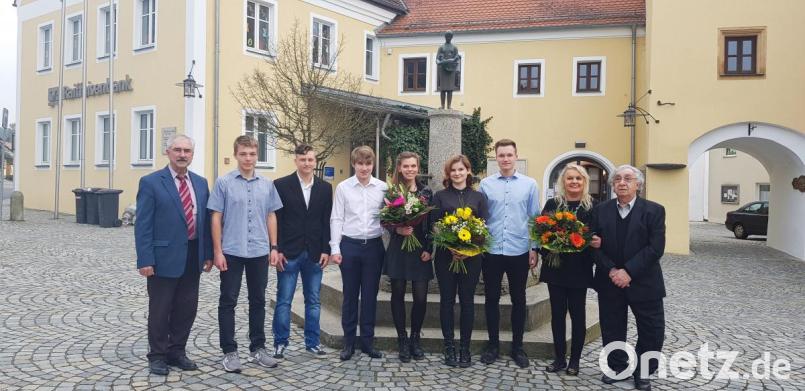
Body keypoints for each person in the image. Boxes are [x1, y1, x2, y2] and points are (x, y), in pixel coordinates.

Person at [135, 134, 213, 376]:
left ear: (192, 154)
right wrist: (145, 259)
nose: (182, 155)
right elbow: (143, 225)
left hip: (193, 255)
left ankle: (176, 351)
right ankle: (157, 355)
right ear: (168, 152)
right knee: (160, 308)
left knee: (186, 307)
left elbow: (206, 222)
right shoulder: (151, 182)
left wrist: (207, 254)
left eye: (187, 151)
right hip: (162, 257)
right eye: (177, 150)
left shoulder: (200, 183)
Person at [208, 135, 283, 373]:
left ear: (257, 155)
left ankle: (258, 349)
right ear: (236, 154)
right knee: (228, 301)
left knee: (258, 300)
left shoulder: (267, 184)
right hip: (232, 250)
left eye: (252, 154)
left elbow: (271, 215)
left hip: (260, 250)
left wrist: (274, 247)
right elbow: (216, 217)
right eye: (243, 154)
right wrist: (217, 251)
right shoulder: (224, 183)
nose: (248, 158)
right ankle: (229, 351)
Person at [592, 164, 666, 391]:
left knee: (652, 329)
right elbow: (593, 246)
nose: (622, 183)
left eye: (628, 179)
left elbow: (656, 248)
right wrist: (613, 270)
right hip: (610, 280)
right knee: (612, 326)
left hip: (644, 280)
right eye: (617, 179)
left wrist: (629, 271)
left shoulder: (654, 210)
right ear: (613, 185)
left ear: (638, 185)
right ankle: (616, 367)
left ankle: (644, 371)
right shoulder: (600, 210)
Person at [479, 139, 540, 368]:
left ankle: (518, 346)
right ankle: (493, 345)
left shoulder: (530, 184)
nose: (505, 159)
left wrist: (534, 248)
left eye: (509, 155)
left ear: (516, 156)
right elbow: (481, 218)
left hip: (519, 250)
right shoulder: (486, 184)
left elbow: (534, 218)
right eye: (501, 155)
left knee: (519, 299)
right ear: (496, 157)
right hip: (492, 249)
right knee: (491, 298)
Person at [539, 163, 601, 376]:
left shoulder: (593, 206)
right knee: (557, 314)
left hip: (579, 269)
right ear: (562, 181)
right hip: (555, 268)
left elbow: (593, 236)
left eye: (578, 178)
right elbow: (540, 232)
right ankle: (559, 358)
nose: (574, 181)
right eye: (570, 178)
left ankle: (575, 360)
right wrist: (551, 247)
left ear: (584, 181)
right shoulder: (553, 203)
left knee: (577, 314)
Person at [271, 144, 333, 359]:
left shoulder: (325, 188)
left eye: (310, 160)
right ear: (296, 160)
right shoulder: (280, 185)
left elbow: (326, 221)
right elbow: (276, 219)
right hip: (288, 252)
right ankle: (280, 342)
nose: (307, 163)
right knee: (284, 300)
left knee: (314, 300)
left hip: (315, 252)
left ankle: (313, 342)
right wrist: (276, 249)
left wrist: (326, 249)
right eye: (303, 159)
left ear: (315, 162)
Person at [330, 146, 388, 361]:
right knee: (350, 296)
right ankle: (348, 343)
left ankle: (367, 342)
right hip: (350, 247)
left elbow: (387, 217)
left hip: (373, 247)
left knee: (370, 296)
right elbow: (336, 218)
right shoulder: (343, 188)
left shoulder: (382, 187)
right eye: (360, 163)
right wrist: (335, 248)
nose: (364, 167)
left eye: (368, 163)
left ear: (373, 165)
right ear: (354, 164)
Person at [431, 155, 489, 368]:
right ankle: (449, 346)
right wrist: (452, 247)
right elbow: (435, 226)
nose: (457, 173)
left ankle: (465, 347)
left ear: (468, 171)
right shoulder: (439, 196)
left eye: (461, 170)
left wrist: (468, 250)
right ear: (448, 174)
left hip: (471, 258)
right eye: (453, 170)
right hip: (446, 257)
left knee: (467, 301)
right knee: (447, 301)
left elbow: (484, 230)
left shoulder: (479, 197)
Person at [382, 152, 433, 362]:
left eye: (413, 166)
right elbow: (384, 219)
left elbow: (432, 223)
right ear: (400, 168)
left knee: (420, 297)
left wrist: (430, 248)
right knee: (398, 294)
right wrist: (398, 229)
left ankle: (415, 339)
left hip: (419, 248)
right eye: (406, 166)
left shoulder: (426, 193)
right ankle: (402, 339)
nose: (410, 169)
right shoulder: (392, 192)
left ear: (418, 167)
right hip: (399, 248)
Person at [435, 30, 461, 109]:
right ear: (445, 37)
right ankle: (442, 106)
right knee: (443, 89)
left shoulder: (454, 48)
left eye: (450, 36)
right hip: (443, 69)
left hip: (451, 70)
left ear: (452, 37)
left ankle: (449, 106)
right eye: (447, 36)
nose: (448, 38)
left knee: (450, 89)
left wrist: (455, 60)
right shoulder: (441, 47)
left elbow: (457, 58)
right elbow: (437, 59)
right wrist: (439, 62)